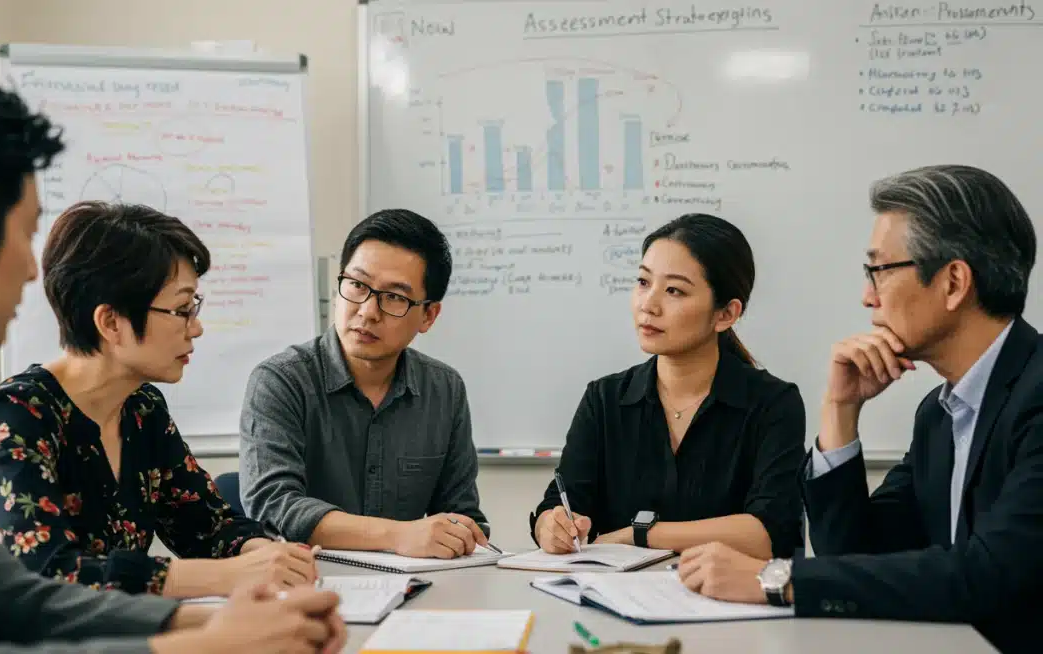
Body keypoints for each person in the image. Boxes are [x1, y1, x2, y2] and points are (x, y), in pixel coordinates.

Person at [0, 60, 343, 653]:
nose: (35, 270)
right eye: (26, 237)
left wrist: (208, 625)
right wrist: (189, 646)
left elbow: (4, 597)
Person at [675, 165, 1042, 654]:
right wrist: (840, 410)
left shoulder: (1036, 395)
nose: (866, 296)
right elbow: (857, 552)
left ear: (953, 282)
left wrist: (776, 577)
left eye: (880, 270)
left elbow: (988, 573)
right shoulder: (940, 413)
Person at [0, 201, 319, 598]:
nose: (196, 328)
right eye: (183, 310)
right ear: (111, 322)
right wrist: (229, 576)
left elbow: (208, 526)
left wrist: (266, 555)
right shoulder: (17, 416)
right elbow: (49, 573)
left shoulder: (142, 409)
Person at [530, 214, 806, 560]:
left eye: (674, 290)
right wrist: (550, 526)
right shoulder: (605, 399)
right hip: (617, 602)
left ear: (725, 314)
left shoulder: (772, 404)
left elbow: (768, 533)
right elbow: (560, 504)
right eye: (643, 282)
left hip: (729, 603)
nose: (649, 304)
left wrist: (641, 535)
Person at [238, 209, 490, 558]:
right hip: (307, 585)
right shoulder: (281, 380)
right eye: (357, 285)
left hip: (414, 590)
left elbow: (461, 511)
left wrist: (458, 533)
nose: (368, 311)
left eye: (394, 297)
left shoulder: (444, 389)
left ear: (428, 315)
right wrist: (397, 535)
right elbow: (274, 504)